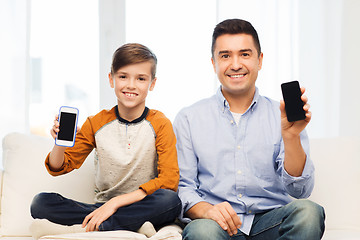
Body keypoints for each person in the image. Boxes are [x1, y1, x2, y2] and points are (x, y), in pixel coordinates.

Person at [173, 19, 325, 240]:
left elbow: (300, 191)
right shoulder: (189, 118)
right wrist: (206, 210)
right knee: (202, 231)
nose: (235, 64)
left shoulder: (281, 114)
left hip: (271, 220)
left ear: (259, 60)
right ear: (213, 62)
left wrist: (291, 137)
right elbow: (183, 187)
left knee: (309, 213)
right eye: (225, 56)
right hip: (218, 225)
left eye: (245, 54)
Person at [30, 43, 181, 239]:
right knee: (40, 202)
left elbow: (169, 182)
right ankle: (131, 225)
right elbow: (59, 167)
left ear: (152, 83)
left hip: (141, 204)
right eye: (123, 76)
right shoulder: (96, 122)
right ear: (111, 79)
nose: (131, 85)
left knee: (171, 200)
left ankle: (87, 226)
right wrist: (59, 143)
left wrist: (115, 203)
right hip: (102, 207)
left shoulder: (160, 123)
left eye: (141, 78)